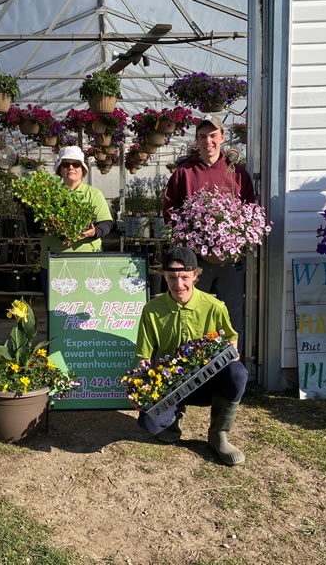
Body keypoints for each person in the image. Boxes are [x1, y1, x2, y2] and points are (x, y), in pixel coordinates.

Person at [134, 247, 249, 465]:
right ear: (164, 277)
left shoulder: (214, 306)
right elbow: (144, 357)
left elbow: (231, 339)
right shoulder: (151, 310)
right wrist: (141, 391)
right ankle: (173, 417)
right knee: (149, 423)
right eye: (172, 278)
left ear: (196, 275)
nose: (179, 284)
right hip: (172, 384)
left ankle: (219, 434)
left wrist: (231, 352)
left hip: (207, 381)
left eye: (185, 277)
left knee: (237, 373)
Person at [163, 115, 256, 355]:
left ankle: (232, 365)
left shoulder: (237, 173)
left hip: (229, 260)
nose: (208, 141)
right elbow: (169, 212)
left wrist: (236, 238)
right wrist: (190, 233)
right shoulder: (184, 173)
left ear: (222, 137)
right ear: (197, 140)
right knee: (193, 313)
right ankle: (190, 365)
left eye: (213, 135)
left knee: (231, 314)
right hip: (195, 260)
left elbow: (250, 211)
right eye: (202, 136)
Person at [39, 145, 113, 292]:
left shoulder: (93, 194)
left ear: (82, 169)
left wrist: (94, 232)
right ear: (60, 169)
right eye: (66, 164)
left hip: (87, 260)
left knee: (86, 301)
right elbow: (36, 225)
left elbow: (106, 223)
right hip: (53, 260)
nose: (71, 167)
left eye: (76, 164)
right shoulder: (48, 194)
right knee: (56, 303)